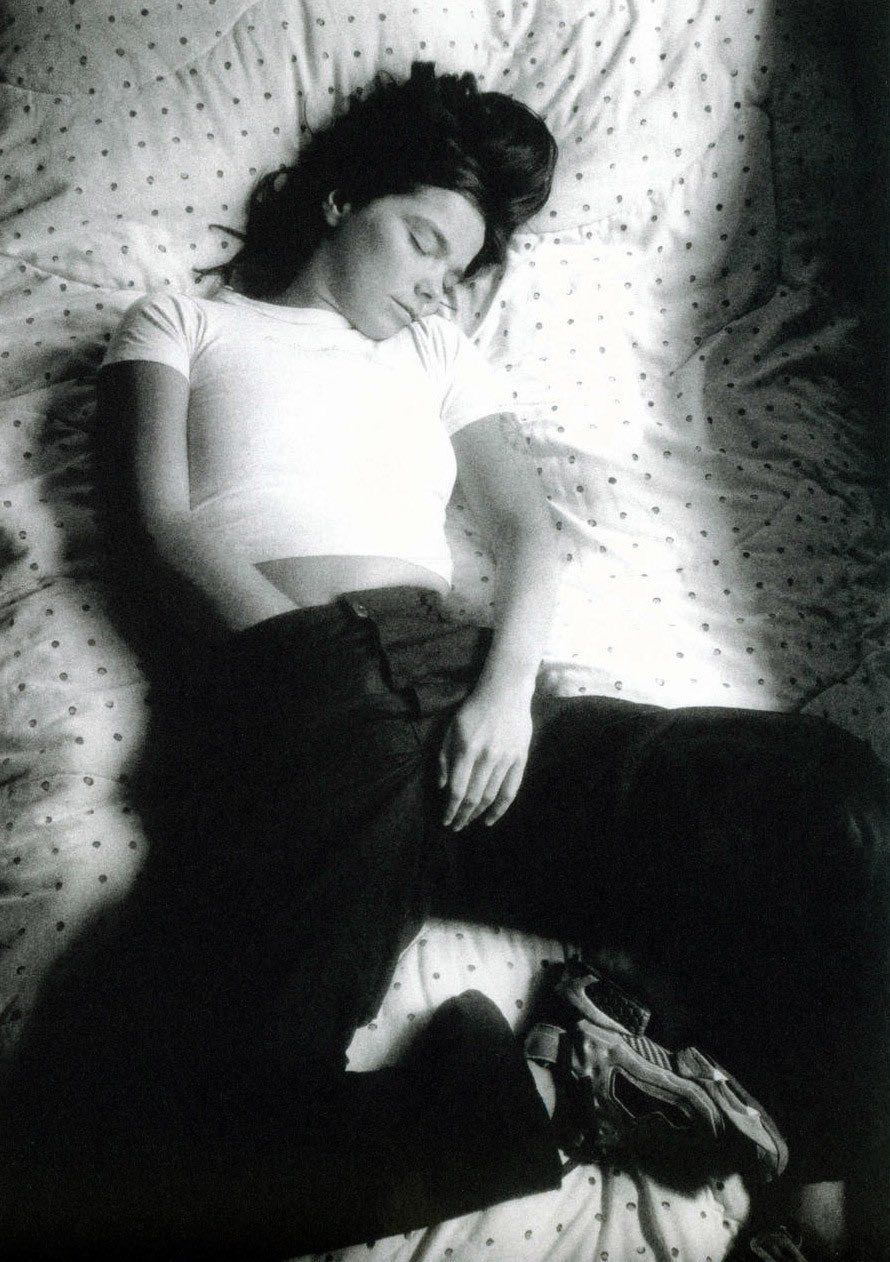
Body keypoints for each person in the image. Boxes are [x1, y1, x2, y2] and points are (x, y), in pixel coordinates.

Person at [1, 62, 887, 1262]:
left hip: (463, 690)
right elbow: (159, 524)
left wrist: (507, 696)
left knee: (827, 799)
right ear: (339, 201)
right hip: (296, 689)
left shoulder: (436, 355)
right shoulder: (186, 322)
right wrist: (317, 665)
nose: (436, 283)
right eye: (423, 240)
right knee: (147, 1142)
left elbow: (524, 533)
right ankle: (563, 1090)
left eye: (458, 267)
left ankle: (816, 1197)